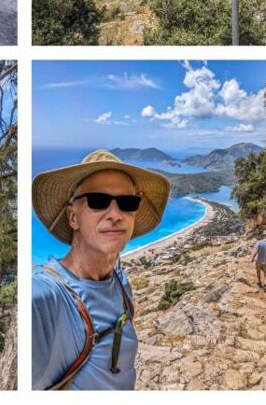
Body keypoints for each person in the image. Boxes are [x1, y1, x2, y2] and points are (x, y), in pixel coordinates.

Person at [31, 150, 171, 390]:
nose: (115, 215)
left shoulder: (120, 281)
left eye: (128, 203)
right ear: (73, 216)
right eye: (98, 201)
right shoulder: (46, 298)